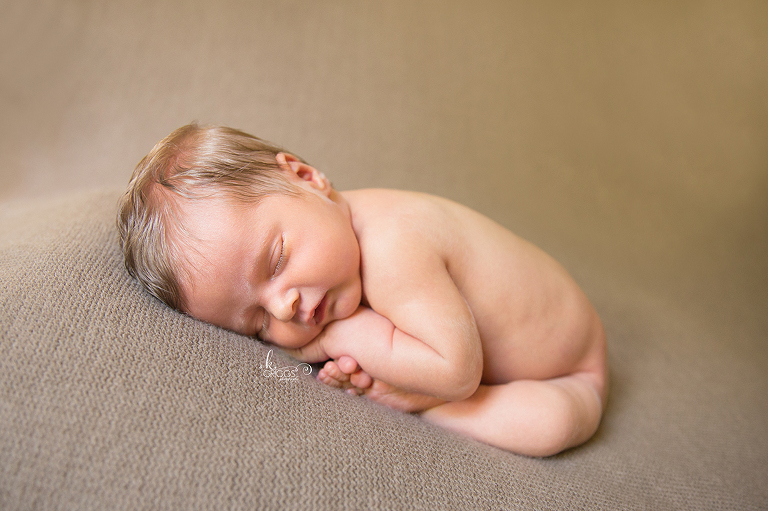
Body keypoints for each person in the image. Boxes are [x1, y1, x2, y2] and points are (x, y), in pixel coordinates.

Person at [118, 123, 608, 457]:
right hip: (496, 364)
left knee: (554, 424)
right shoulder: (337, 252)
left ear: (307, 178)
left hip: (568, 369)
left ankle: (427, 404)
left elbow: (459, 373)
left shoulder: (393, 245)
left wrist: (342, 339)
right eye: (257, 323)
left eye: (277, 260)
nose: (283, 306)